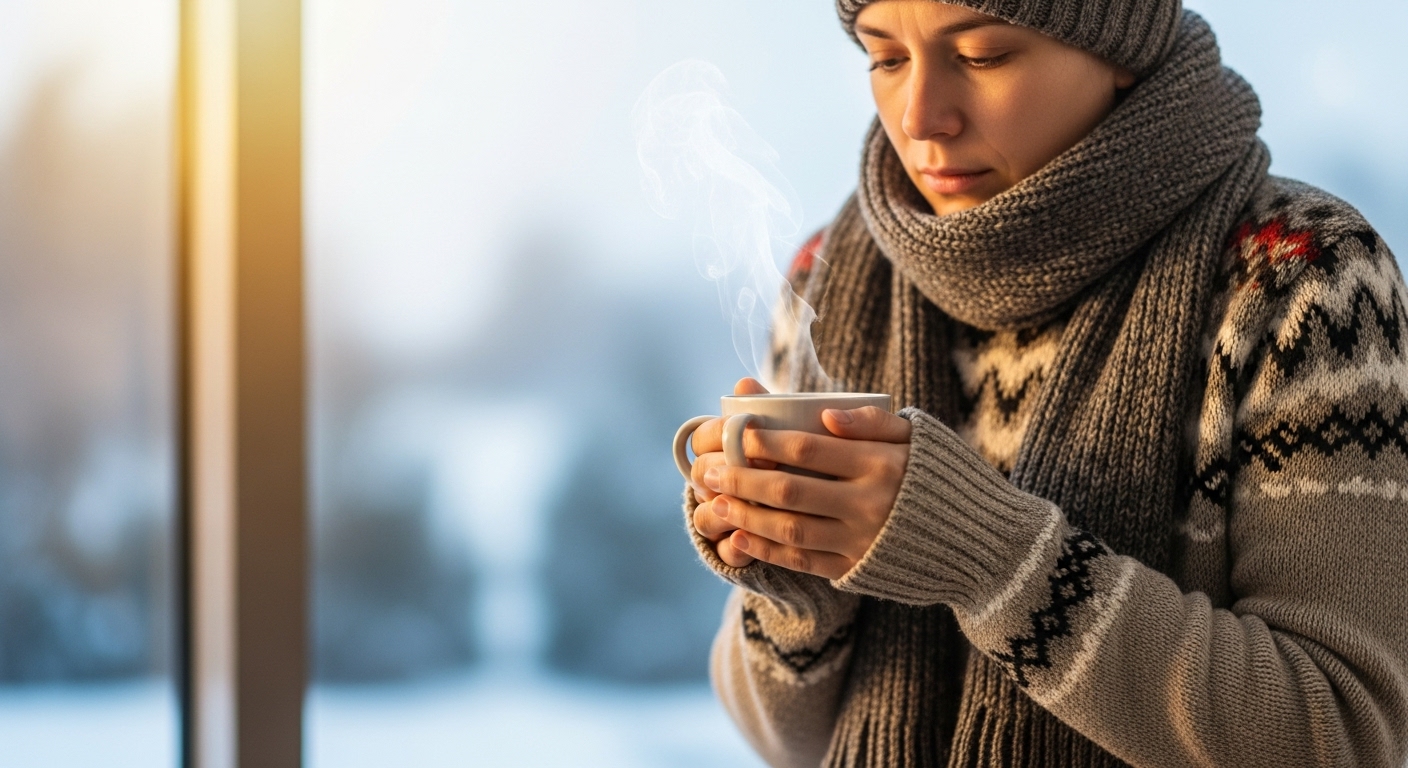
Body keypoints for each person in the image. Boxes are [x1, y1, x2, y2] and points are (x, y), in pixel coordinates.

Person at [681, 1, 1408, 767]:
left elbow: (1346, 737)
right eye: (886, 59)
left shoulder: (1302, 276)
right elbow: (787, 741)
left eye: (984, 55)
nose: (922, 117)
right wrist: (798, 588)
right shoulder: (826, 280)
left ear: (1123, 46)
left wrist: (989, 558)